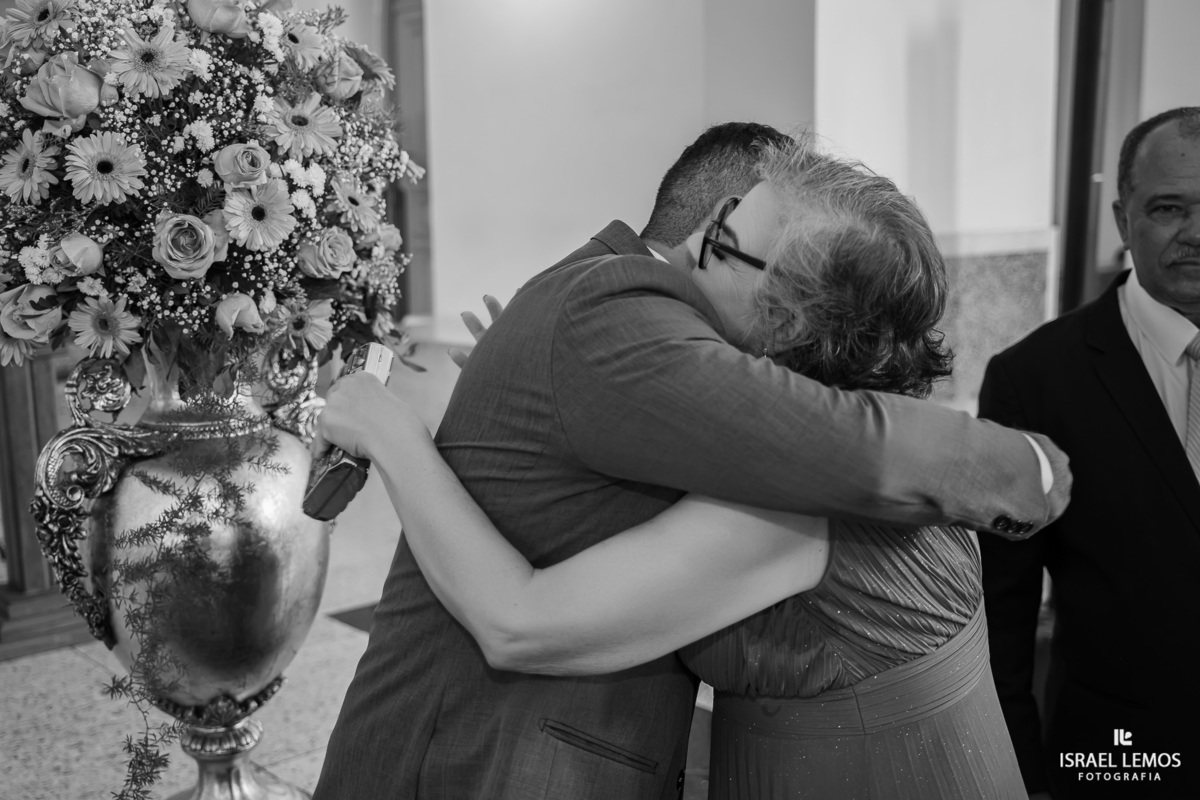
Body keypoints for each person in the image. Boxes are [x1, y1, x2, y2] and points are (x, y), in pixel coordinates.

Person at [314, 126, 1068, 800]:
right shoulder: (815, 444)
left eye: (725, 237)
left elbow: (519, 622)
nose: (699, 238)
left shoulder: (792, 499)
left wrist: (393, 434)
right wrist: (543, 395)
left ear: (791, 321)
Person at [978, 106, 1200, 799]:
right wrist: (1022, 780)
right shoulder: (1034, 380)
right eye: (1169, 208)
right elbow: (1001, 622)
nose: (1196, 234)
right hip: (1119, 766)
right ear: (1121, 217)